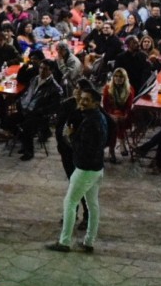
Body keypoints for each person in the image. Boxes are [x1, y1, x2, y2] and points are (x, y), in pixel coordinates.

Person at [47, 83, 107, 253]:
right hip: (97, 168)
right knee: (92, 204)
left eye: (87, 100)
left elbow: (83, 148)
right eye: (81, 99)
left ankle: (64, 242)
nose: (82, 102)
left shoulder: (90, 122)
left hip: (85, 169)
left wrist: (71, 136)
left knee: (70, 202)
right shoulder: (98, 118)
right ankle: (89, 241)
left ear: (96, 103)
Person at [102, 68, 134, 163]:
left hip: (124, 116)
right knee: (115, 122)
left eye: (120, 76)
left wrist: (122, 115)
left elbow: (128, 107)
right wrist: (111, 115)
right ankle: (121, 143)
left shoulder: (130, 89)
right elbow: (105, 106)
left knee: (117, 121)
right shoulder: (108, 88)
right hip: (110, 114)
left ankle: (112, 150)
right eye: (115, 76)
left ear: (125, 78)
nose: (118, 78)